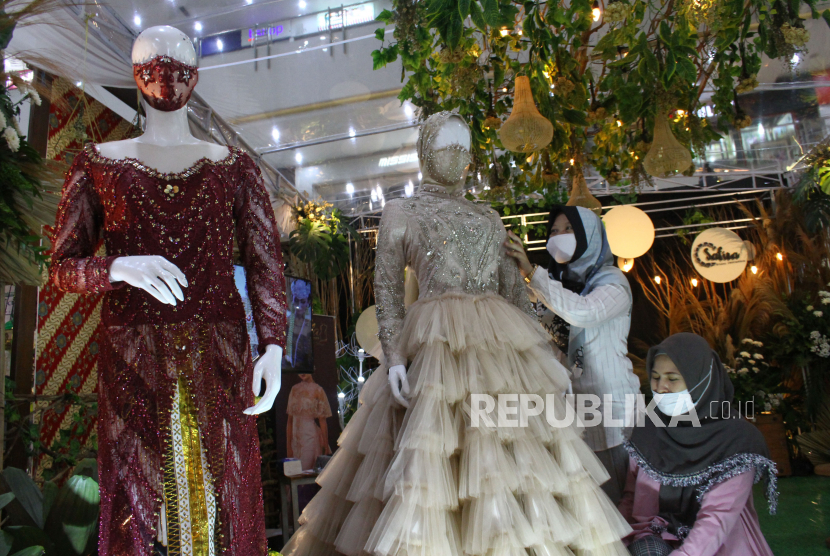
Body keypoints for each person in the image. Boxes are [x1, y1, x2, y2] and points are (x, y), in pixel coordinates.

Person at [282, 112, 632, 556]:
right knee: (430, 467)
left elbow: (513, 294)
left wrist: (545, 357)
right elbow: (388, 289)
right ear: (426, 150)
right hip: (433, 352)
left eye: (465, 149)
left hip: (498, 356)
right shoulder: (401, 211)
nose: (459, 157)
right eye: (448, 146)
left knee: (510, 473)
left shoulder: (489, 216)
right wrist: (393, 358)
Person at [503, 205, 640, 504]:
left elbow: (582, 313)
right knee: (595, 506)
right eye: (553, 231)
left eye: (568, 229)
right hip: (575, 409)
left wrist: (532, 273)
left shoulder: (613, 282)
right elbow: (560, 334)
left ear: (589, 235)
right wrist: (523, 290)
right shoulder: (560, 287)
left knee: (624, 501)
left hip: (614, 408)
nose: (558, 237)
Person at [620, 333, 776, 556]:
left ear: (701, 380)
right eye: (655, 377)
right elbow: (630, 497)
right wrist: (611, 542)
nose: (661, 387)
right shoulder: (649, 429)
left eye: (672, 378)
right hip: (655, 536)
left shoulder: (736, 441)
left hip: (721, 544)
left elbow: (717, 518)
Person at [287, 374, 333, 470]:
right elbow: (290, 420)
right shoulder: (294, 389)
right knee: (294, 472)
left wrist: (325, 444)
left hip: (310, 437)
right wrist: (288, 446)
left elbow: (322, 420)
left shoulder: (318, 390)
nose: (302, 373)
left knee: (305, 470)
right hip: (295, 439)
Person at [284, 279, 313, 371]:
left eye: (303, 302)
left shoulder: (311, 325)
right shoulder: (286, 323)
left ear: (308, 303)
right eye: (296, 301)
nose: (299, 306)